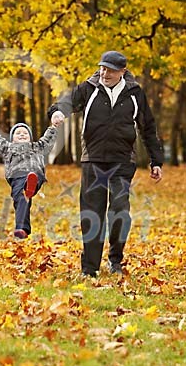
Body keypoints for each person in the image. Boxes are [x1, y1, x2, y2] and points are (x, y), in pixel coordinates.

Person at [48, 51, 164, 277]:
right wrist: (57, 113)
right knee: (92, 212)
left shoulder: (134, 93)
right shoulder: (89, 88)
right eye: (102, 68)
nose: (105, 73)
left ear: (122, 71)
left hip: (122, 161)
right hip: (93, 160)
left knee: (120, 210)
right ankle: (90, 268)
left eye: (110, 70)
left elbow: (147, 127)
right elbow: (66, 102)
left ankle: (115, 260)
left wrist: (155, 160)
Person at [0, 111, 58, 239]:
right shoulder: (8, 148)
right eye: (18, 133)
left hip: (35, 174)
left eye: (25, 133)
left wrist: (54, 126)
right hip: (17, 177)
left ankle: (30, 185)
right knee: (21, 199)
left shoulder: (37, 147)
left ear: (30, 136)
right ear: (12, 138)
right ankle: (22, 228)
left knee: (29, 184)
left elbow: (47, 139)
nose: (22, 134)